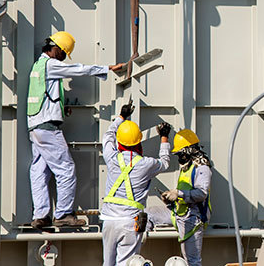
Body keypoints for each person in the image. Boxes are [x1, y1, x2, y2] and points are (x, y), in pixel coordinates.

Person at [28, 31, 123, 229]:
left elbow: (46, 94)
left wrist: (61, 107)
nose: (63, 59)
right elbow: (77, 70)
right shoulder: (51, 65)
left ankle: (41, 215)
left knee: (39, 171)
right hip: (48, 128)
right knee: (66, 169)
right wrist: (106, 68)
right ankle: (63, 214)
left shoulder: (38, 65)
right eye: (63, 54)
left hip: (36, 127)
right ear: (57, 50)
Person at [100, 99, 171, 266]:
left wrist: (121, 117)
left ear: (120, 142)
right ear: (139, 141)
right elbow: (165, 162)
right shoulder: (146, 164)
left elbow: (108, 136)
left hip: (109, 220)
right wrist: (164, 137)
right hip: (130, 223)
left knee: (107, 263)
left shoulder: (111, 157)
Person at [152, 129, 212, 266]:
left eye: (180, 153)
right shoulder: (188, 166)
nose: (179, 157)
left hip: (193, 218)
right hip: (179, 213)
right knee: (148, 215)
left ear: (188, 150)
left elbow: (202, 194)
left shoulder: (202, 167)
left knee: (192, 261)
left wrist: (178, 194)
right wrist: (170, 199)